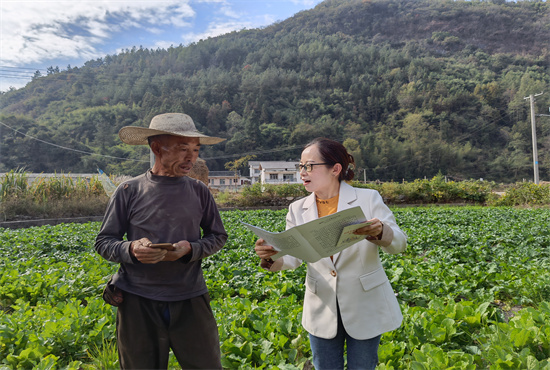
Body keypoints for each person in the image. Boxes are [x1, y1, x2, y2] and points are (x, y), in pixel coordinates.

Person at [254, 137, 407, 370]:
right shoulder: (297, 208)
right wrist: (271, 255)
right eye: (300, 166)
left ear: (335, 169)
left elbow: (400, 244)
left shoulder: (368, 199)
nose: (302, 173)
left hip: (365, 304)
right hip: (321, 305)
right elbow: (294, 256)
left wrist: (380, 232)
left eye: (309, 166)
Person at [95, 113, 228, 369]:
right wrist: (131, 249)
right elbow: (104, 241)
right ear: (157, 148)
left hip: (190, 296)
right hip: (137, 299)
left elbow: (218, 236)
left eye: (195, 149)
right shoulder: (129, 191)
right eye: (182, 149)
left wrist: (193, 249)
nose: (191, 157)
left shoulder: (199, 191)